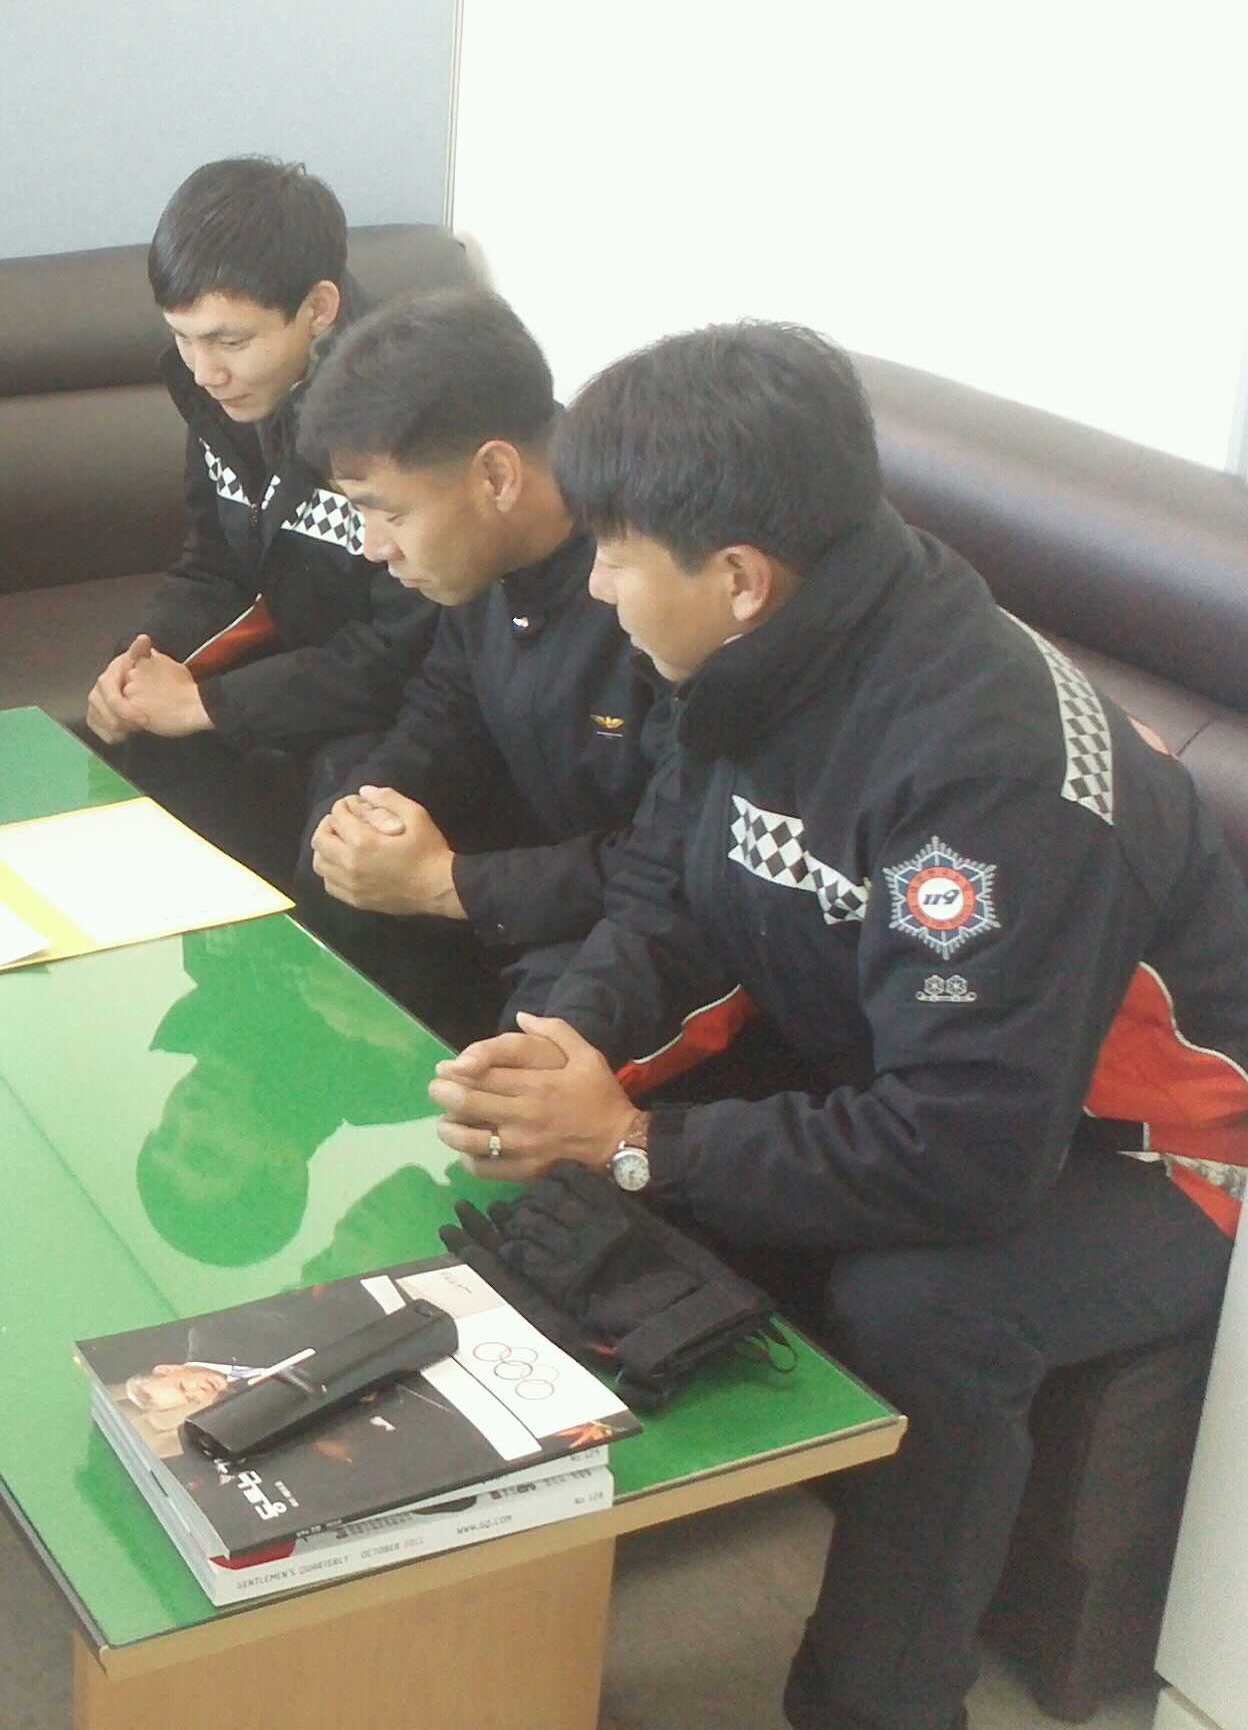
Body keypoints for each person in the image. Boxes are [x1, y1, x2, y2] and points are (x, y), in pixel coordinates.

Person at [425, 323, 1245, 1730]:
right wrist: (576, 1042)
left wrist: (637, 1143)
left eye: (617, 554)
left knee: (922, 1304)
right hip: (915, 1048)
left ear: (739, 578)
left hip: (1150, 1147)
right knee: (547, 1066)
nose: (598, 585)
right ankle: (510, 1579)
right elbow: (670, 887)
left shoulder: (988, 777)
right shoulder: (757, 656)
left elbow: (969, 1151)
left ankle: (880, 1704)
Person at [290, 287, 668, 1043]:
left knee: (535, 1034)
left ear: (496, 476)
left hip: (649, 928)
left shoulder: (656, 593)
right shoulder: (486, 561)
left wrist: (447, 884)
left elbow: (674, 865)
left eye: (390, 512)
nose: (372, 546)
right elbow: (444, 710)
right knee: (331, 856)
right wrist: (365, 811)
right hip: (536, 878)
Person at [82, 157, 436, 883]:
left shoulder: (406, 417)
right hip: (304, 675)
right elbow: (215, 564)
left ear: (320, 308)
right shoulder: (223, 395)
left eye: (231, 342)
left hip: (407, 705)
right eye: (183, 337)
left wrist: (212, 704)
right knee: (136, 743)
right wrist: (142, 663)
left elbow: (408, 650)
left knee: (336, 848)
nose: (204, 371)